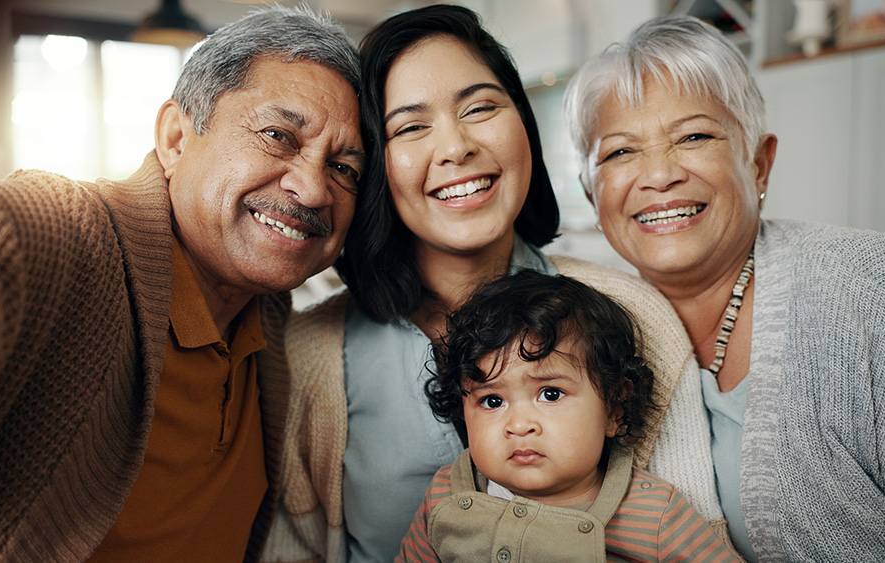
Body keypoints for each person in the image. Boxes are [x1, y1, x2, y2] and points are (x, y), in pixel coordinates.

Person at [258, 5, 728, 563]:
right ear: (373, 164)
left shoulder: (634, 314)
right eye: (410, 126)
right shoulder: (309, 351)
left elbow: (694, 531)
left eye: (480, 108)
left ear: (523, 124)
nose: (456, 147)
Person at [0, 5, 364, 562]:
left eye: (345, 168)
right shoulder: (56, 232)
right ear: (176, 138)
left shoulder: (273, 323)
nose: (314, 189)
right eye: (277, 136)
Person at [563, 14, 885, 562]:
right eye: (620, 152)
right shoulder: (590, 333)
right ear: (592, 195)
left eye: (694, 136)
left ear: (759, 163)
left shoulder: (876, 288)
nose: (659, 175)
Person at [396, 270, 738, 562]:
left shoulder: (655, 515)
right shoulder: (447, 494)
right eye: (492, 401)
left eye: (550, 394)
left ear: (614, 408)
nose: (519, 425)